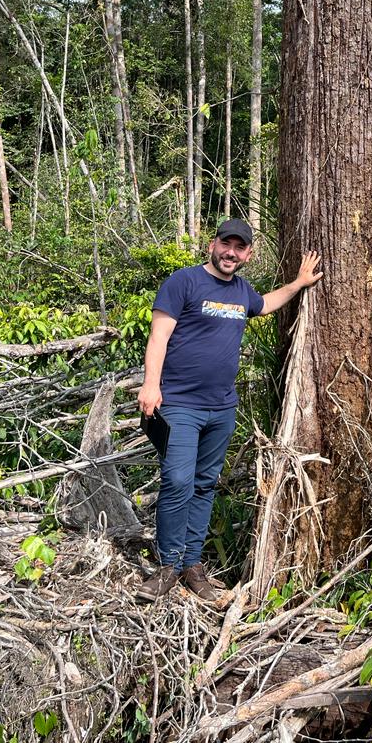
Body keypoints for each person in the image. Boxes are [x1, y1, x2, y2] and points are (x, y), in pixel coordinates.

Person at [136, 219, 322, 601]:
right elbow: (159, 335)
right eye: (226, 244)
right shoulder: (183, 282)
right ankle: (167, 565)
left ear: (248, 254)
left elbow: (265, 305)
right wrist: (151, 384)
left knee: (204, 484)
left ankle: (192, 564)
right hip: (179, 404)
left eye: (239, 248)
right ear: (212, 244)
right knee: (177, 481)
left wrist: (298, 284)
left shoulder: (241, 291)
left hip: (221, 409)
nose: (231, 253)